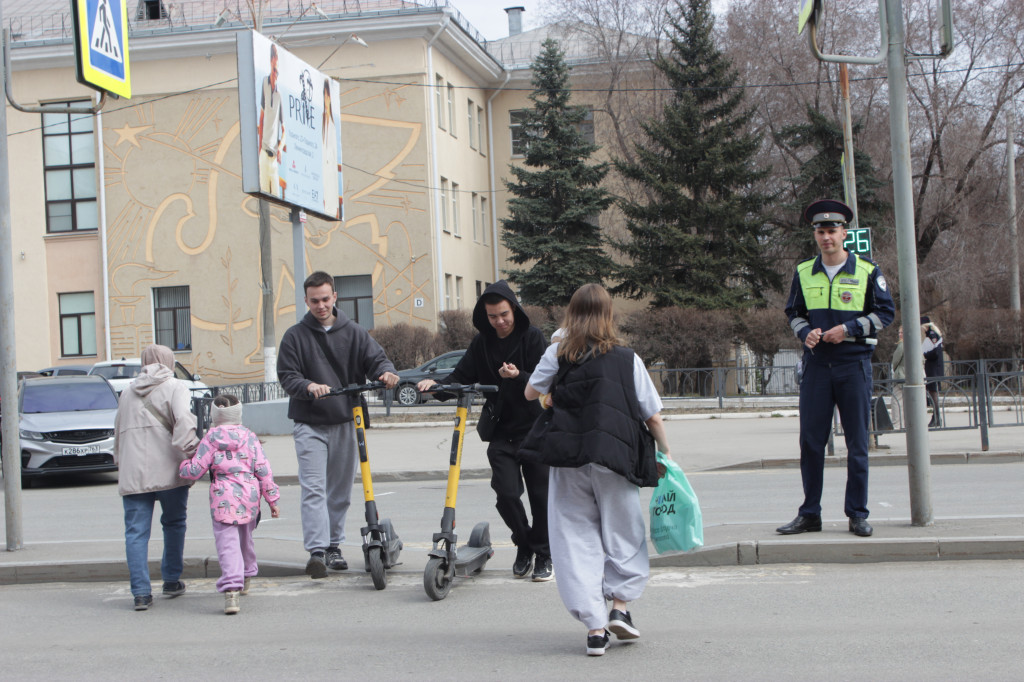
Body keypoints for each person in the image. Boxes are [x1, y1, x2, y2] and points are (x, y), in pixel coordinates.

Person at [522, 283, 670, 657]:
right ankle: (620, 607)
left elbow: (529, 393)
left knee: (574, 538)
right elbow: (651, 414)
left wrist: (549, 391)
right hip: (615, 458)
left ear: (571, 313)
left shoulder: (558, 351)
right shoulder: (626, 357)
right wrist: (666, 453)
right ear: (609, 314)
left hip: (569, 457)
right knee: (623, 532)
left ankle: (594, 628)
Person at [417, 281, 551, 581]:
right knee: (505, 493)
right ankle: (525, 543)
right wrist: (435, 388)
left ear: (514, 309)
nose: (499, 321)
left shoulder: (532, 337)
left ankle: (544, 553)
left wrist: (518, 376)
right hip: (502, 430)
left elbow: (544, 379)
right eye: (492, 316)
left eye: (504, 314)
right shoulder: (482, 344)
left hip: (535, 428)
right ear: (485, 316)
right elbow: (460, 376)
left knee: (541, 496)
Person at [778, 199, 895, 538]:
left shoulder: (868, 271)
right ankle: (809, 514)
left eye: (832, 231)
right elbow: (794, 313)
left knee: (857, 444)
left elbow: (885, 314)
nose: (826, 237)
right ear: (814, 234)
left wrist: (849, 329)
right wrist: (805, 331)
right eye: (820, 231)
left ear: (844, 233)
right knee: (811, 443)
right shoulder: (803, 271)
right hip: (816, 367)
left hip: (852, 364)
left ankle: (857, 513)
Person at [277, 271, 399, 579]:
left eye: (325, 299)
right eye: (314, 300)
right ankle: (317, 552)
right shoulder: (295, 336)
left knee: (340, 491)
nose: (320, 305)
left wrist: (386, 373)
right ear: (306, 300)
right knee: (314, 489)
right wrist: (308, 386)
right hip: (310, 422)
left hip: (346, 419)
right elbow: (287, 375)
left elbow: (377, 360)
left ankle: (334, 546)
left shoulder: (354, 332)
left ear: (335, 298)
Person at [113, 344, 199, 611]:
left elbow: (117, 432)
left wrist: (120, 463)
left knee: (135, 533)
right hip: (169, 470)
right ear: (169, 361)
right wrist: (193, 454)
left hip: (133, 473)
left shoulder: (127, 392)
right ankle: (171, 580)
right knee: (174, 523)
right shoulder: (176, 387)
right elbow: (184, 423)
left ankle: (140, 593)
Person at [179, 394, 281, 615]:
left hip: (222, 495)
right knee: (245, 537)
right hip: (249, 494)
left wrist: (182, 466)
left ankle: (232, 589)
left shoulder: (211, 438)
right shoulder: (250, 437)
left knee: (228, 543)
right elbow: (263, 469)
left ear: (215, 415)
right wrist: (272, 499)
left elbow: (195, 470)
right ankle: (247, 575)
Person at [258, 43, 284, 197]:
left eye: (278, 72)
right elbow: (261, 120)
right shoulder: (264, 84)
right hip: (263, 152)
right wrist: (259, 148)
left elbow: (284, 130)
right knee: (263, 192)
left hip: (273, 157)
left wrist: (280, 147)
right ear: (270, 63)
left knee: (275, 196)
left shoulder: (279, 94)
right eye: (274, 70)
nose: (276, 75)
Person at [321, 78, 343, 219]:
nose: (325, 100)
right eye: (323, 96)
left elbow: (334, 158)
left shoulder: (333, 126)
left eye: (326, 96)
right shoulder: (321, 120)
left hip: (330, 176)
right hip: (324, 176)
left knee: (331, 205)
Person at [921, 316, 945, 427]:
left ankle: (936, 418)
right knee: (932, 393)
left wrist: (924, 355)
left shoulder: (931, 335)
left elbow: (934, 353)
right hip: (935, 367)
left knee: (933, 393)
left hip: (933, 368)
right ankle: (936, 417)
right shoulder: (934, 334)